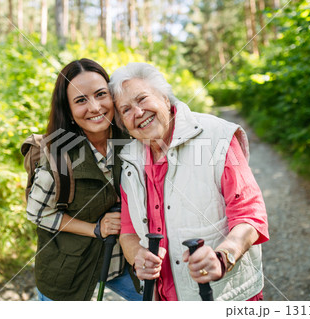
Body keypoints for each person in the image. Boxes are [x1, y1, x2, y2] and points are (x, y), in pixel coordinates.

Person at [109, 62, 269, 301]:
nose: (138, 113)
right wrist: (137, 256)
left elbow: (250, 215)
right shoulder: (129, 158)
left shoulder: (216, 136)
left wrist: (223, 256)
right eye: (126, 110)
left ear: (164, 97)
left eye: (142, 99)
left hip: (222, 296)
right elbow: (129, 231)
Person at [26, 59, 141, 301]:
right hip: (69, 271)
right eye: (80, 100)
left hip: (123, 264)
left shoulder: (132, 138)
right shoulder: (59, 156)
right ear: (67, 110)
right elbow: (37, 213)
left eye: (101, 94)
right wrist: (95, 229)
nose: (95, 107)